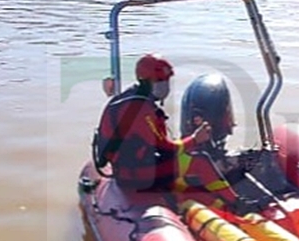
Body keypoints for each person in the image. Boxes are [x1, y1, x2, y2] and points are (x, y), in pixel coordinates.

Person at [94, 53, 241, 206]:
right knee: (200, 161)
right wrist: (195, 139)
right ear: (150, 81)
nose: (166, 86)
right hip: (135, 175)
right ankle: (236, 203)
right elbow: (166, 148)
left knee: (184, 160)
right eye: (161, 81)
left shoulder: (129, 98)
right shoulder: (141, 109)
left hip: (129, 168)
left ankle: (210, 201)